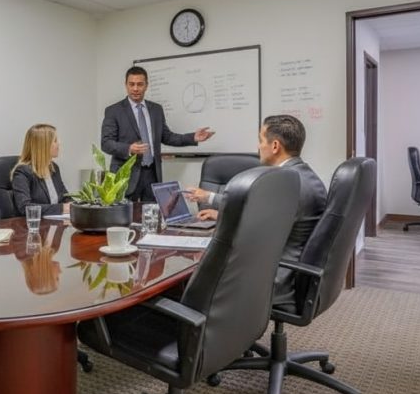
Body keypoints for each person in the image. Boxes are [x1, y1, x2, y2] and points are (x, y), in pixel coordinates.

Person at [184, 114, 326, 309]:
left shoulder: (286, 183)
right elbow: (263, 217)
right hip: (294, 272)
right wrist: (219, 212)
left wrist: (218, 210)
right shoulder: (307, 176)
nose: (259, 146)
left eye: (261, 140)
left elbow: (249, 228)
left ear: (275, 146)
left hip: (276, 279)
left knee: (197, 280)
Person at [101, 66, 214, 202]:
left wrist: (192, 137)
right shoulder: (114, 111)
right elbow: (106, 143)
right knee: (126, 220)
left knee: (151, 217)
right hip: (126, 177)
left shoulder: (156, 109)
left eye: (140, 84)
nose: (135, 88)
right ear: (126, 85)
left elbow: (167, 136)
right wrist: (129, 149)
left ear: (146, 85)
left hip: (152, 174)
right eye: (131, 84)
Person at [11, 124, 70, 216]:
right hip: (35, 226)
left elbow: (65, 197)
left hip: (56, 225)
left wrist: (76, 206)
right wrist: (61, 208)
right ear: (43, 146)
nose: (59, 143)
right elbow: (25, 207)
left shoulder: (53, 168)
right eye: (55, 141)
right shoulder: (22, 172)